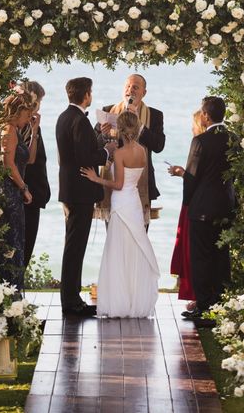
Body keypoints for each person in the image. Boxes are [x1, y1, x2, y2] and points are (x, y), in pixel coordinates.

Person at [81, 111, 160, 318]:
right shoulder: (142, 151)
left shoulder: (120, 153)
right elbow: (133, 182)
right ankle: (135, 300)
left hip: (121, 202)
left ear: (121, 129)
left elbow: (118, 184)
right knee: (134, 248)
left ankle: (119, 300)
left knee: (118, 249)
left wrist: (95, 178)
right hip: (133, 201)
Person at [169, 96, 236, 319]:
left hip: (202, 208)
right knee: (220, 256)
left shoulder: (201, 141)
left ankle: (204, 306)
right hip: (225, 206)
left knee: (200, 258)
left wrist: (188, 202)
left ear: (206, 116)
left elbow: (192, 178)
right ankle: (220, 302)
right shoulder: (233, 139)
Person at [56, 77, 116, 317]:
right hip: (80, 191)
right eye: (90, 92)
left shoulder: (64, 117)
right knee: (75, 247)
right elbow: (84, 156)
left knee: (73, 246)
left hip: (71, 189)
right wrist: (106, 151)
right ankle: (71, 302)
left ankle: (71, 298)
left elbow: (77, 150)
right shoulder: (79, 120)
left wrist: (98, 138)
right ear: (86, 95)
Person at [95, 74, 165, 225]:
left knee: (139, 233)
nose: (130, 90)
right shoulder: (108, 110)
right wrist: (104, 135)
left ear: (144, 93)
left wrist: (139, 125)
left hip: (140, 179)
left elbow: (159, 146)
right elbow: (94, 147)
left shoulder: (154, 115)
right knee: (115, 233)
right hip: (113, 180)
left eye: (135, 87)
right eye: (127, 86)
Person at [0, 91, 37, 291]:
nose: (28, 118)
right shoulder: (9, 130)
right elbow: (8, 164)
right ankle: (10, 292)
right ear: (19, 111)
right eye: (27, 114)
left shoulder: (14, 130)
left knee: (14, 243)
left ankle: (12, 293)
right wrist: (24, 188)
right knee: (11, 244)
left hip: (12, 193)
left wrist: (34, 129)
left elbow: (29, 158)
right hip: (10, 193)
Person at [170, 109, 206, 307]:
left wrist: (182, 174)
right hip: (201, 201)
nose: (191, 128)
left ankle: (195, 295)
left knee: (192, 249)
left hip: (193, 204)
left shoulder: (199, 143)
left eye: (193, 124)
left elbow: (194, 179)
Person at [19, 81, 51, 268]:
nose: (39, 106)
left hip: (34, 194)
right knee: (24, 248)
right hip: (26, 195)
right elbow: (29, 161)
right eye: (38, 101)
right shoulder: (20, 127)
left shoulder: (31, 126)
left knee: (26, 249)